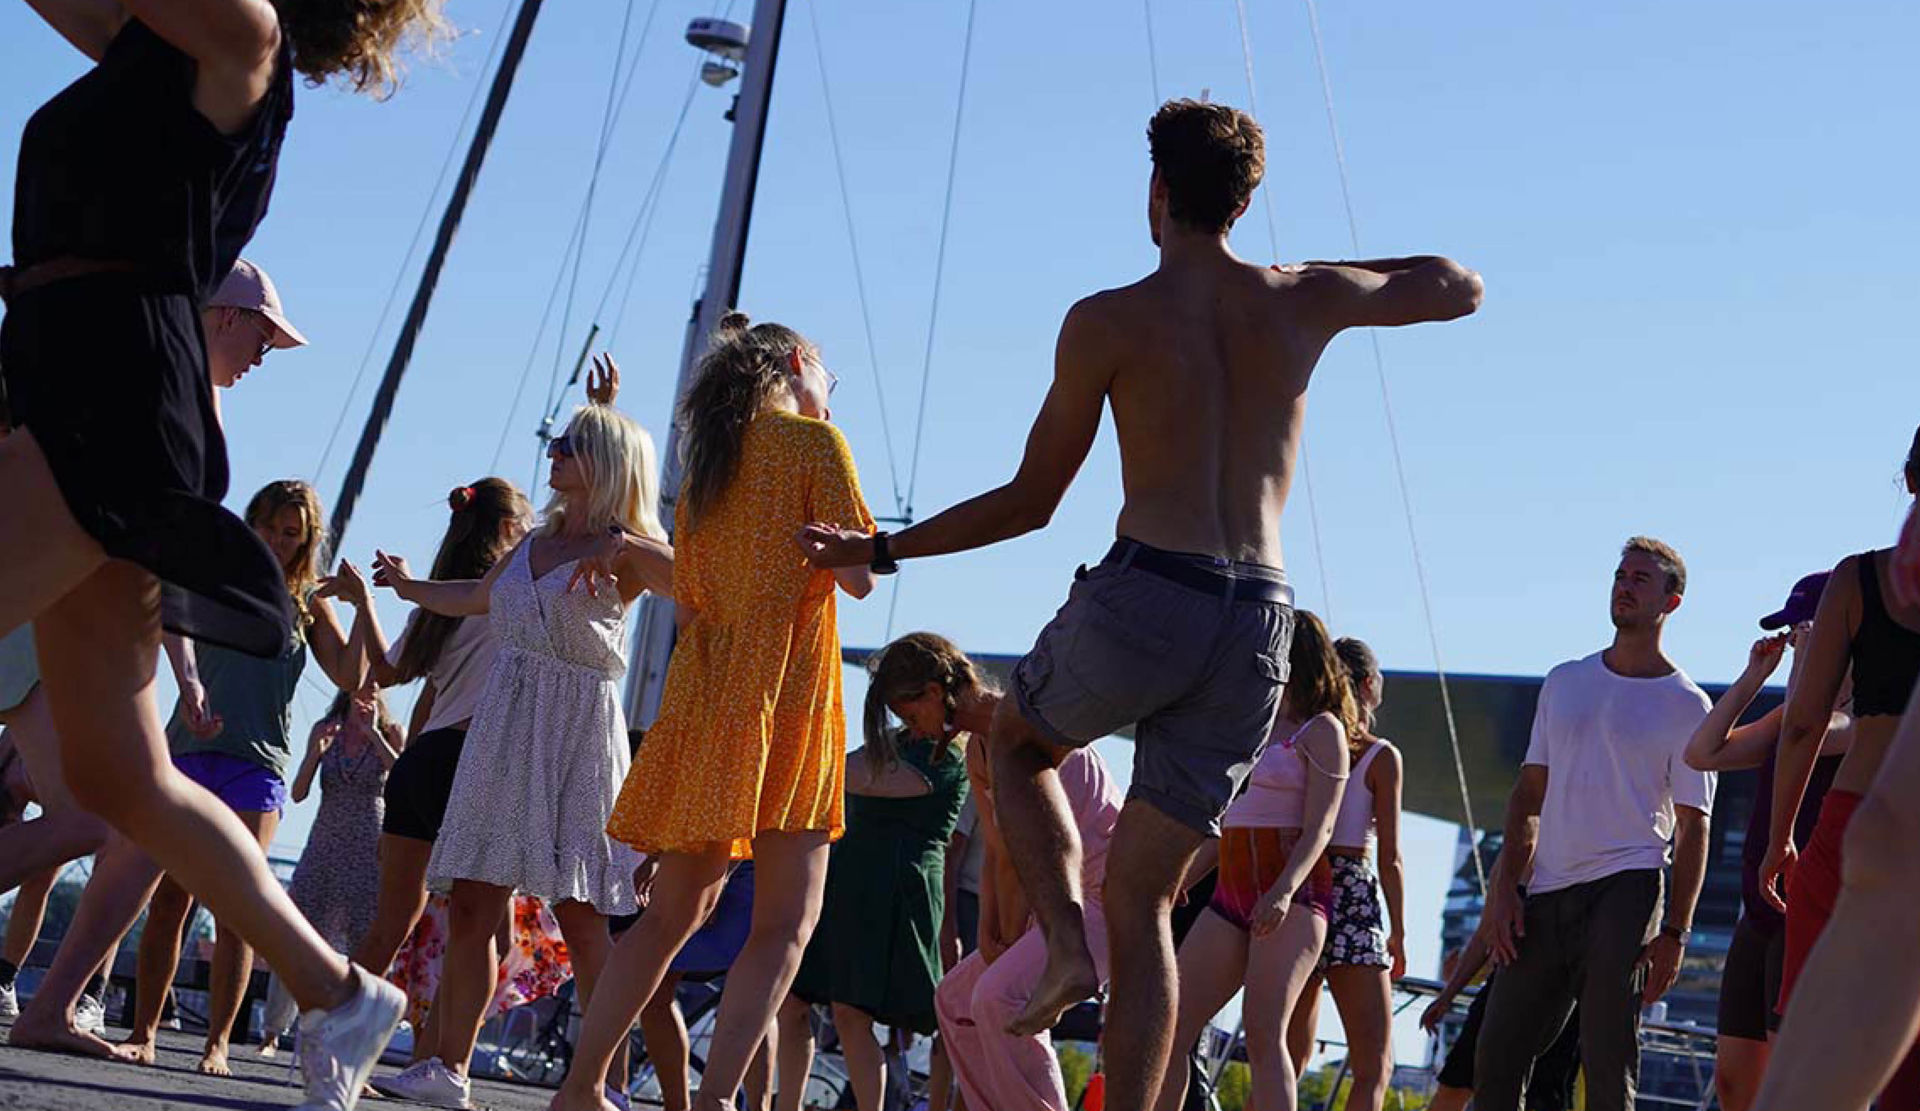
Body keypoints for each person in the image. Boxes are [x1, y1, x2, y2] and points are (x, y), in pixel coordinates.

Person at [797, 98, 1482, 1109]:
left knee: (1016, 738)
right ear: (1244, 201)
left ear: (1156, 191)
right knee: (1148, 902)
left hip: (1153, 586)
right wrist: (1308, 279)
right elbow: (1458, 285)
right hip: (1259, 620)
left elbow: (1031, 501)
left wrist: (883, 549)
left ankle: (1066, 948)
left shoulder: (1109, 319)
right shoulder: (1301, 299)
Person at [0, 0, 448, 1099]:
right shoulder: (172, 51)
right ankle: (340, 992)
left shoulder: (242, 35)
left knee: (120, 774)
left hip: (103, 396)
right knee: (121, 775)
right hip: (86, 385)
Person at [551, 313, 877, 1111]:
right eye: (827, 380)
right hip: (789, 695)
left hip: (709, 692)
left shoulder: (709, 468)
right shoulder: (816, 445)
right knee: (785, 922)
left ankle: (581, 1086)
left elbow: (692, 601)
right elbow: (861, 577)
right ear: (798, 362)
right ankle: (715, 1099)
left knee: (671, 916)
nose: (830, 395)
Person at [367, 384, 673, 1111]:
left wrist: (626, 543)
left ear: (607, 462)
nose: (553, 453)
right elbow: (477, 596)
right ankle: (448, 1067)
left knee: (583, 915)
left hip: (576, 734)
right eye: (558, 443)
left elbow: (695, 579)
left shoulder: (624, 552)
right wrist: (408, 587)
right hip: (505, 728)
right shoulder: (535, 542)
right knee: (474, 901)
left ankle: (601, 1082)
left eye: (570, 445)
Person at [0, 258, 297, 912]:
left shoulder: (168, 384)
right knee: (94, 816)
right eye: (263, 338)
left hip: (48, 614)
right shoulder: (168, 396)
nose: (262, 357)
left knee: (89, 818)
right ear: (229, 317)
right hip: (38, 607)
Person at [109, 479, 363, 1075]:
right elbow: (168, 622)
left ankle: (217, 1044)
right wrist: (189, 685)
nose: (277, 541)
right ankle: (144, 1032)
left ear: (307, 541)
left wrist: (360, 606)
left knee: (239, 911)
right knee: (168, 899)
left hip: (258, 765)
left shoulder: (308, 602)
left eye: (291, 534)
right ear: (251, 524)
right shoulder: (217, 576)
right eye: (268, 528)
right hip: (190, 751)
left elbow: (351, 677)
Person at [1472, 537, 1715, 1111]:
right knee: (1497, 1053)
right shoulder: (1565, 681)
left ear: (1671, 602)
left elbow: (1693, 827)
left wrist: (1675, 933)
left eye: (1640, 579)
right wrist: (1504, 891)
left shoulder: (1687, 705)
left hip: (1628, 884)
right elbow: (1527, 796)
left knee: (1606, 1055)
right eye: (1620, 576)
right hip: (1548, 889)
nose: (1624, 587)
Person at [862, 633, 1121, 1111]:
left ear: (934, 694)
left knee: (998, 998)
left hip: (1107, 903)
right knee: (954, 1002)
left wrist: (1008, 936)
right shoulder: (981, 750)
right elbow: (999, 855)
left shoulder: (1031, 730)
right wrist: (988, 933)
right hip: (1055, 908)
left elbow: (1030, 862)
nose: (913, 732)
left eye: (911, 716)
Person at [1760, 427, 1920, 1109]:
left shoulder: (1859, 578)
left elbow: (1801, 722)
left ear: (1908, 479)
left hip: (1859, 812)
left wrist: (1779, 839)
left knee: (1814, 1037)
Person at [329, 475, 535, 996]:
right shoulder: (509, 594)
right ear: (508, 528)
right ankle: (447, 1045)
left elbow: (384, 671)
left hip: (417, 766)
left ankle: (329, 1028)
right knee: (489, 936)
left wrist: (366, 604)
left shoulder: (437, 604)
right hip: (469, 762)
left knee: (389, 928)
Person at [1152, 610, 1355, 1111]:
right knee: (1173, 1025)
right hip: (1232, 891)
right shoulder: (1254, 726)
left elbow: (1321, 827)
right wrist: (1182, 879)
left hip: (1293, 895)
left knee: (1265, 1035)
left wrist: (1283, 891)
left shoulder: (1322, 730)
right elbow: (1227, 824)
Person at [1680, 575, 1851, 1111]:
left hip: (1809, 910)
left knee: (1792, 1080)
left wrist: (1813, 669)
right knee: (1734, 1080)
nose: (1795, 639)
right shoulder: (1788, 716)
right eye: (1792, 629)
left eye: (1805, 629)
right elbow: (1702, 753)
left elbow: (1814, 731)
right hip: (1758, 912)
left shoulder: (1861, 719)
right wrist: (1753, 678)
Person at [785, 637, 970, 1111]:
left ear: (933, 693)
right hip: (845, 886)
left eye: (907, 709)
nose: (904, 720)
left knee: (852, 1012)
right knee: (793, 1001)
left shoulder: (951, 756)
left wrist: (799, 760)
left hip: (894, 895)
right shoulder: (898, 743)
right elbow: (849, 770)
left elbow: (869, 778)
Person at [1284, 636, 1404, 1111]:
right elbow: (1391, 856)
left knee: (1287, 1058)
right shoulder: (1380, 756)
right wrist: (1399, 932)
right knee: (1374, 1065)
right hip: (1350, 888)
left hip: (1299, 882)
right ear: (1370, 684)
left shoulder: (1303, 741)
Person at [258, 680, 405, 1051]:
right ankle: (274, 1029)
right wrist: (315, 754)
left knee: (364, 939)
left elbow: (402, 779)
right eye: (360, 686)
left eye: (373, 688)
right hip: (325, 842)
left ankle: (345, 1035)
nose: (366, 694)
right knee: (298, 930)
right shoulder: (327, 729)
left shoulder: (391, 731)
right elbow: (298, 792)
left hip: (369, 847)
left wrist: (374, 736)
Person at [1418, 932, 1580, 1111]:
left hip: (1569, 984)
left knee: (1544, 1094)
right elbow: (1486, 931)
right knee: (1457, 1080)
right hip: (1508, 977)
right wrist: (1448, 994)